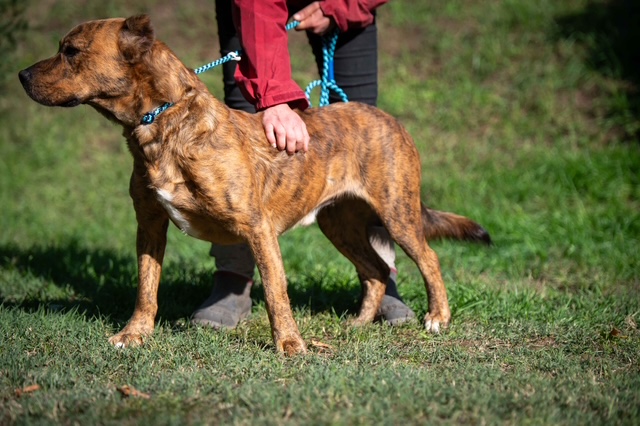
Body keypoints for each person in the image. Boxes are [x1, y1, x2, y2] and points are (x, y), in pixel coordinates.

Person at [191, 0, 416, 329]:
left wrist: (341, 6)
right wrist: (272, 96)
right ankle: (232, 278)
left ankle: (382, 277)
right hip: (252, 9)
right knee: (245, 125)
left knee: (365, 140)